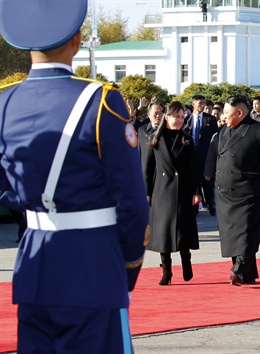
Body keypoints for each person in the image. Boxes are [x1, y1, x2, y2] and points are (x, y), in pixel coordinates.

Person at [0, 0, 149, 352]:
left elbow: (5, 187)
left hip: (34, 269)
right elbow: (132, 203)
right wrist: (126, 268)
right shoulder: (101, 101)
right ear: (77, 39)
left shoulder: (5, 103)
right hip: (92, 266)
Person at [205, 95, 260, 286]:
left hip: (249, 192)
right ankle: (247, 273)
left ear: (239, 112)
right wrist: (209, 173)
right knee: (232, 234)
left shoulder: (259, 131)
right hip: (225, 193)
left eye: (227, 112)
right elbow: (215, 154)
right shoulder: (223, 130)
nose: (223, 116)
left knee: (247, 232)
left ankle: (239, 269)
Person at [144, 101, 202, 285]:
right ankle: (166, 271)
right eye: (175, 116)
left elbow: (194, 169)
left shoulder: (186, 139)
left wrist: (197, 191)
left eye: (182, 117)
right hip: (162, 190)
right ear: (166, 116)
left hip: (183, 190)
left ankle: (186, 262)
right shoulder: (155, 139)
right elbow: (147, 169)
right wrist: (146, 192)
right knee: (163, 232)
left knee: (183, 230)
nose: (179, 120)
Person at [184, 95, 219, 215]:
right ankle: (194, 207)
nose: (202, 105)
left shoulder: (210, 119)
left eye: (204, 103)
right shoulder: (186, 119)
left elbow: (215, 138)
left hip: (206, 155)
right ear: (193, 104)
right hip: (191, 155)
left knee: (207, 182)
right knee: (193, 181)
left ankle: (211, 204)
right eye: (200, 103)